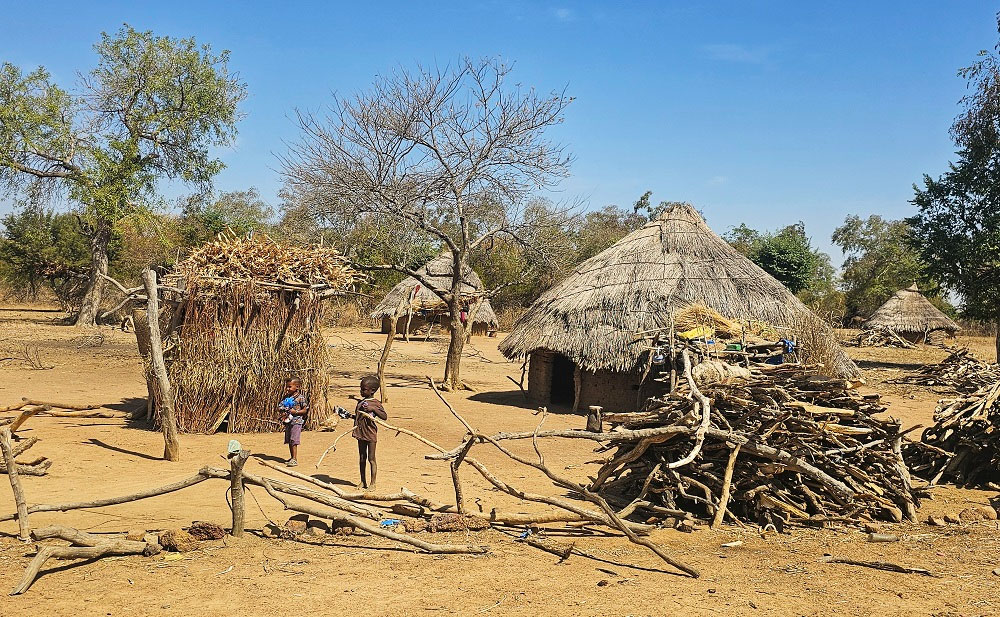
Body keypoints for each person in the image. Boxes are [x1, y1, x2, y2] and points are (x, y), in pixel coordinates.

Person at [352, 375, 387, 489]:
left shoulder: (375, 403)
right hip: (360, 433)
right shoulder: (360, 403)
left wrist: (373, 409)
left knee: (371, 458)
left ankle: (373, 483)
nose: (361, 391)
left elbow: (384, 416)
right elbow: (358, 417)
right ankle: (363, 481)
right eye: (361, 388)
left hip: (370, 434)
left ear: (372, 390)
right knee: (362, 458)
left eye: (364, 389)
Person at [280, 377, 308, 467]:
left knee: (294, 440)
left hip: (297, 422)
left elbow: (304, 410)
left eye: (289, 387)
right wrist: (283, 410)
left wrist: (295, 412)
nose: (287, 389)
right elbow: (280, 406)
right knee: (289, 440)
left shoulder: (300, 398)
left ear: (297, 387)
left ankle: (295, 459)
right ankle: (292, 457)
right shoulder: (286, 397)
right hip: (288, 421)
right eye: (287, 387)